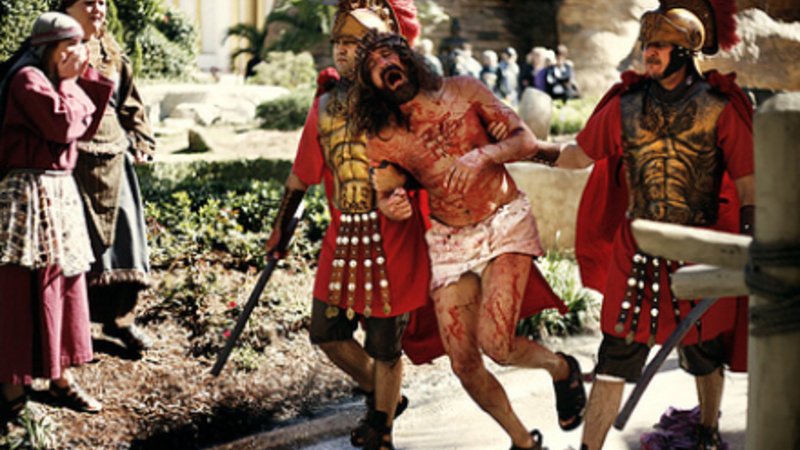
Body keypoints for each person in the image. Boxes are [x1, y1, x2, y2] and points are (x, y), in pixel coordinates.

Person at [350, 31, 587, 450]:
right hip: (450, 240)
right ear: (369, 85)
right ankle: (523, 442)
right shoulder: (382, 137)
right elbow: (384, 192)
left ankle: (561, 369)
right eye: (372, 66)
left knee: (498, 345)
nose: (384, 65)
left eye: (389, 55)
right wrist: (392, 205)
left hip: (504, 223)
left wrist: (482, 155)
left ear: (409, 59)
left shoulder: (464, 90)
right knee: (463, 362)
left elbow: (524, 141)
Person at [536, 1, 753, 449]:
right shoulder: (626, 105)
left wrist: (749, 239)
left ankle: (707, 431)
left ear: (685, 52)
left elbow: (749, 183)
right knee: (614, 358)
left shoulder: (720, 108)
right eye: (647, 43)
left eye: (660, 45)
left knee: (705, 353)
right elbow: (578, 156)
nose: (648, 52)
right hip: (636, 254)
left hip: (699, 250)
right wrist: (527, 149)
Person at [263, 2, 427, 449]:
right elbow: (301, 177)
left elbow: (434, 164)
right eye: (338, 41)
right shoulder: (323, 107)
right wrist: (280, 229)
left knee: (385, 346)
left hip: (394, 240)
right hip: (345, 238)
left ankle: (381, 428)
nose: (341, 50)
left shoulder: (405, 103)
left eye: (353, 42)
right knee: (327, 333)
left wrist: (404, 186)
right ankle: (385, 396)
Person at [0, 12, 113, 425]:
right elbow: (64, 124)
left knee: (63, 286)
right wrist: (73, 85)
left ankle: (59, 376)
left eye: (81, 45)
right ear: (49, 49)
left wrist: (76, 81)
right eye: (71, 45)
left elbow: (87, 124)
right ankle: (12, 386)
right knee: (22, 288)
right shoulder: (26, 79)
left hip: (60, 193)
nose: (79, 54)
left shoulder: (58, 81)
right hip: (28, 194)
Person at [59, 0, 156, 356]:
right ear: (67, 7)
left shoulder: (111, 52)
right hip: (70, 161)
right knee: (80, 246)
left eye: (102, 2)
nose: (98, 9)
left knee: (126, 238)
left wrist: (141, 140)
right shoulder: (51, 49)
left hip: (115, 156)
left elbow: (131, 103)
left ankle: (121, 321)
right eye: (88, 2)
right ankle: (73, 328)